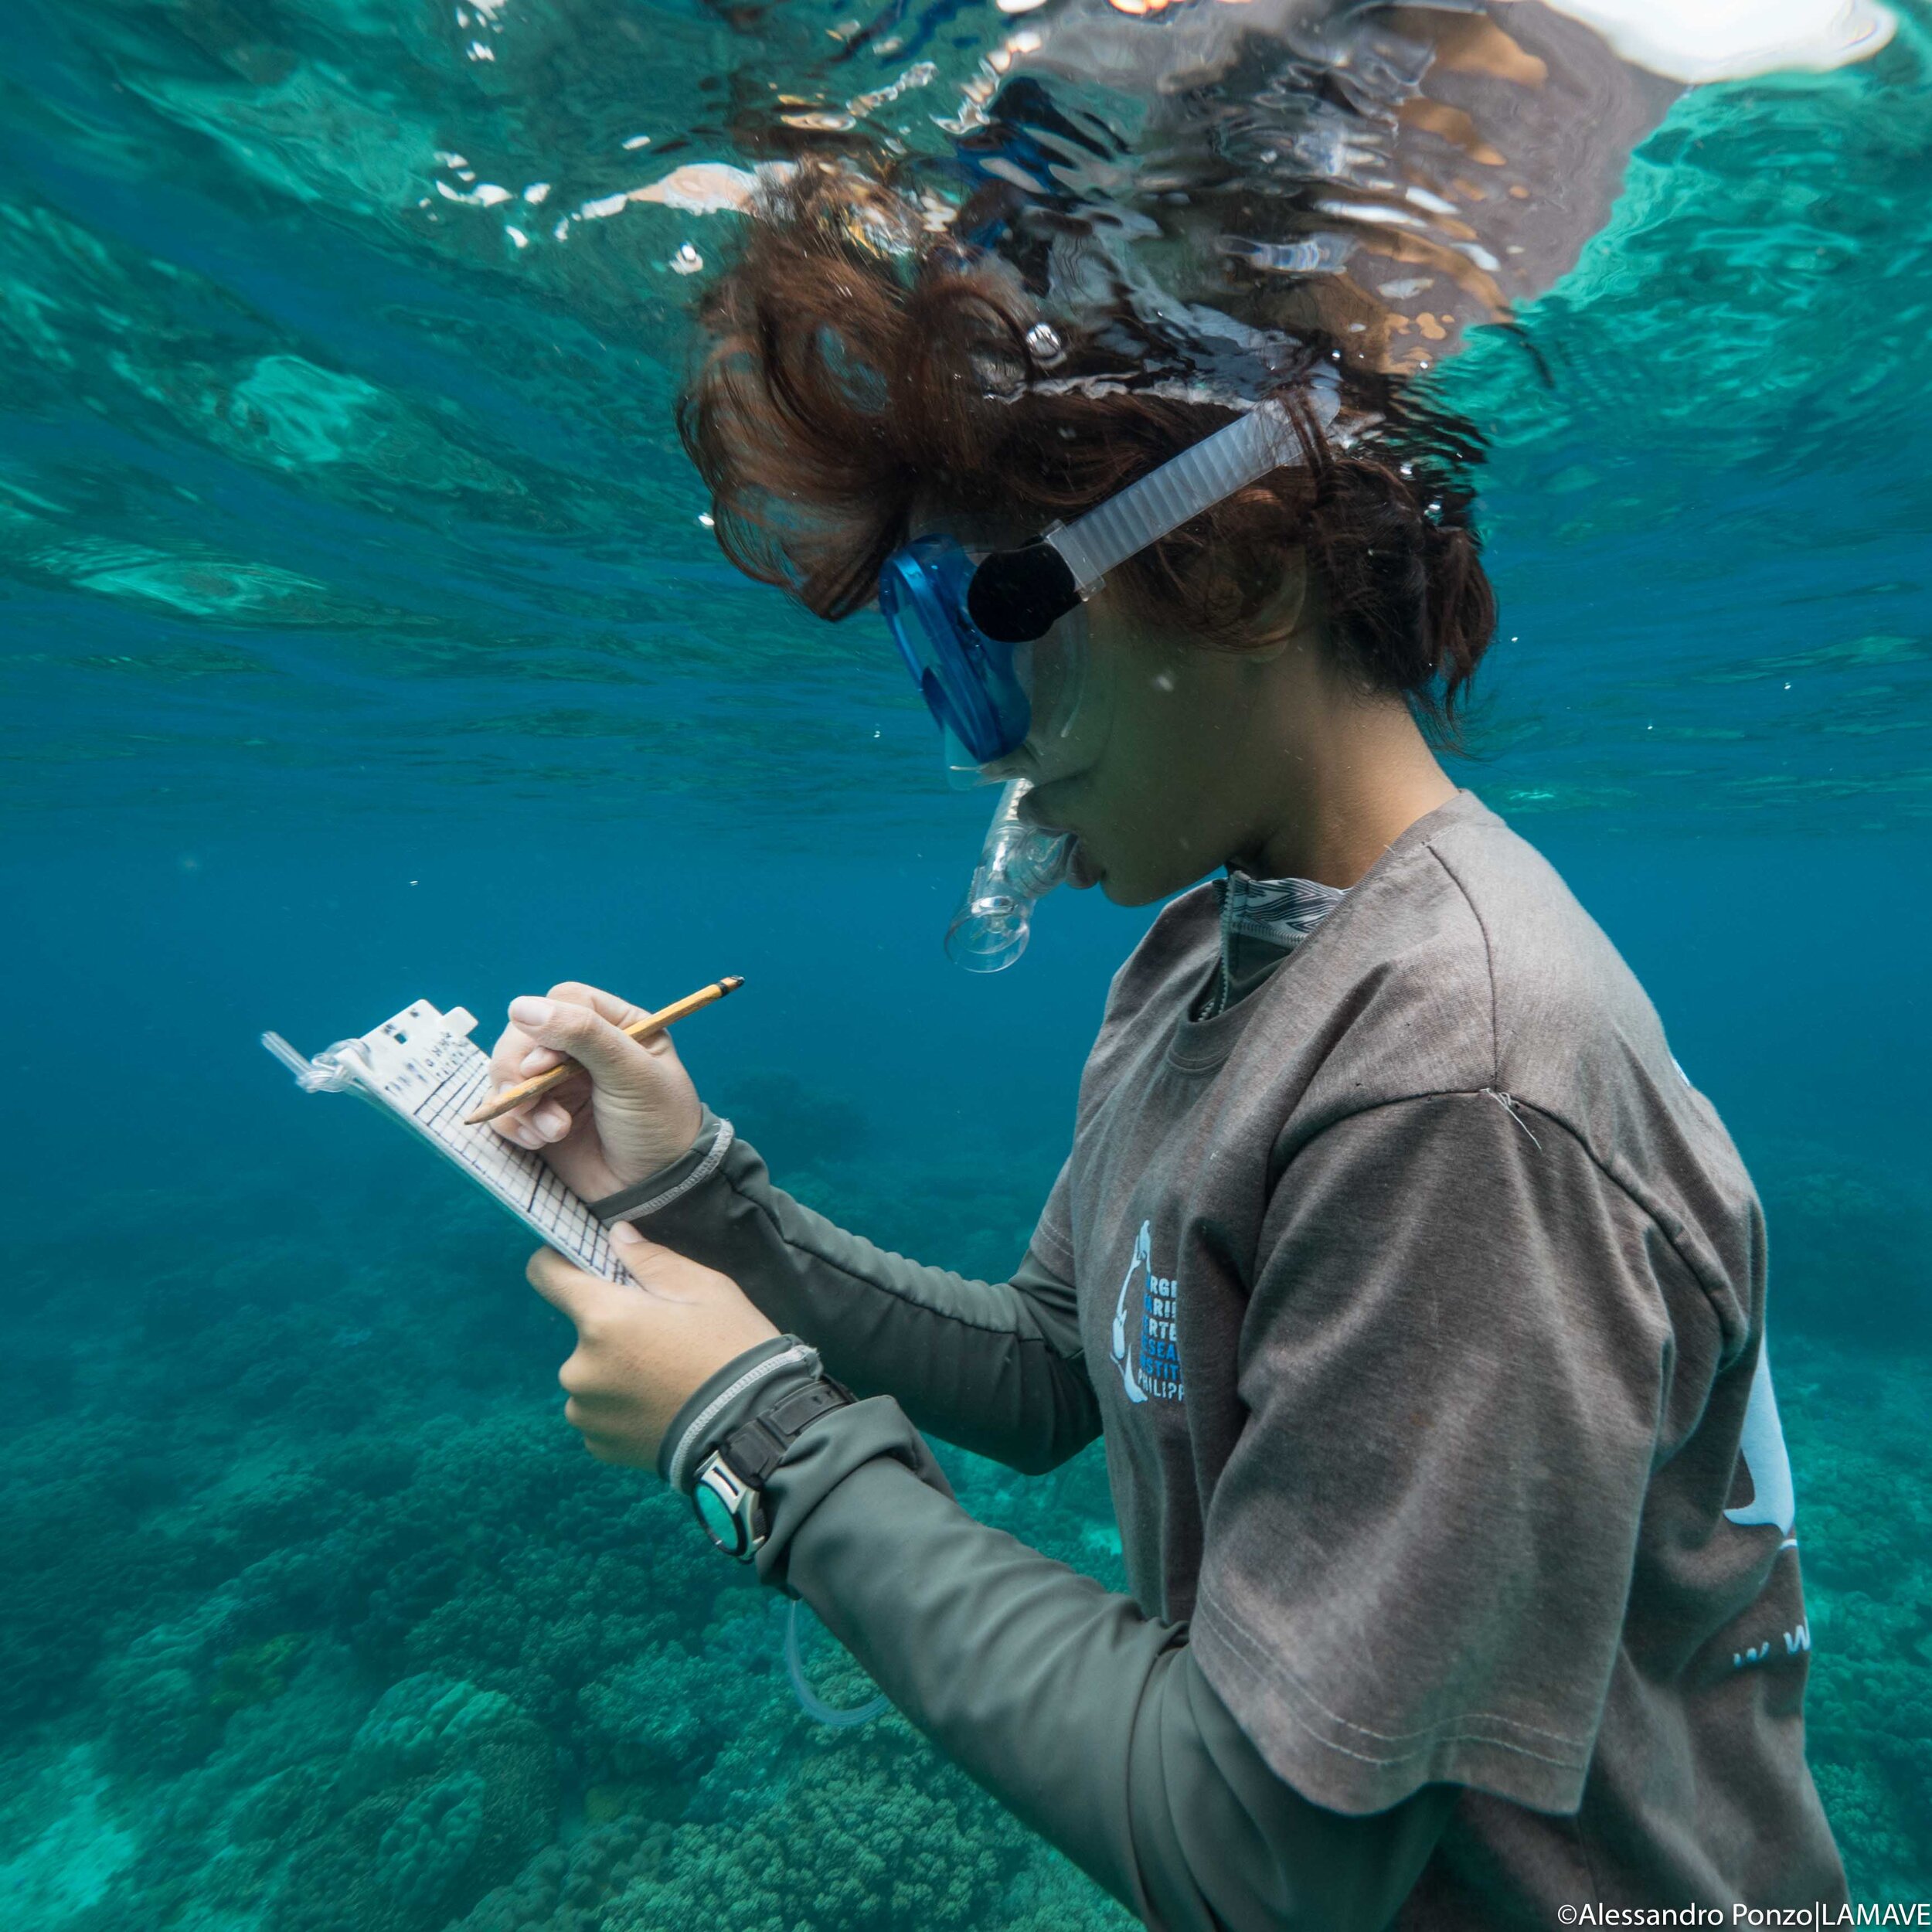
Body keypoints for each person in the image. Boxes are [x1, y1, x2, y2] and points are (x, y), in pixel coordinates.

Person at [482, 162, 1844, 1929]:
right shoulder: (1214, 942)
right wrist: (699, 1194)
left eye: (987, 650)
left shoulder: (1455, 1078)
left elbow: (1260, 1851)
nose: (986, 759)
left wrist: (754, 1439)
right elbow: (1063, 1366)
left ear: (1244, 566)